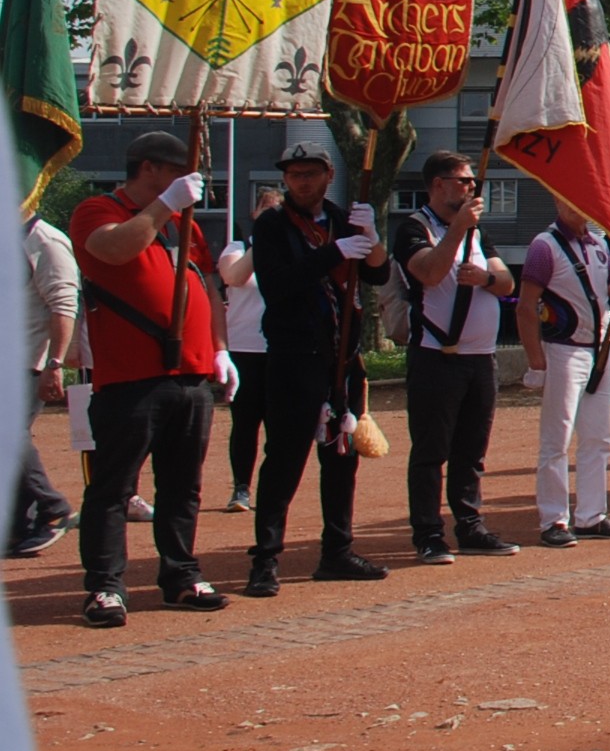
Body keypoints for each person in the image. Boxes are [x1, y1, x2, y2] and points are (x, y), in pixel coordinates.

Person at [70, 130, 233, 625]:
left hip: (190, 376)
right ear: (150, 169)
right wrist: (164, 207)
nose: (192, 180)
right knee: (113, 488)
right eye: (179, 170)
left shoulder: (185, 225)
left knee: (183, 487)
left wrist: (222, 349)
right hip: (130, 378)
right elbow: (114, 251)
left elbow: (207, 285)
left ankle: (179, 576)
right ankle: (104, 587)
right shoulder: (98, 211)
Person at [241, 141, 389, 592]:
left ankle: (337, 551)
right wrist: (334, 252)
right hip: (294, 355)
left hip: (342, 357)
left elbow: (379, 276)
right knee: (284, 458)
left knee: (341, 458)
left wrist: (372, 238)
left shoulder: (347, 219)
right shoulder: (272, 225)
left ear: (328, 175)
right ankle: (265, 559)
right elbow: (279, 283)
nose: (302, 182)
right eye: (293, 175)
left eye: (310, 173)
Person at [391, 151, 518, 565]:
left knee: (471, 449)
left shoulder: (477, 233)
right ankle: (428, 533)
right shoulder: (414, 227)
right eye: (463, 181)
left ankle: (470, 524)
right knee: (431, 450)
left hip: (480, 358)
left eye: (471, 182)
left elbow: (506, 283)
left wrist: (486, 277)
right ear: (438, 184)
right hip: (436, 356)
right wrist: (457, 230)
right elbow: (428, 272)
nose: (470, 189)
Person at [517, 197, 610, 546]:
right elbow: (526, 307)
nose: (579, 206)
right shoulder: (545, 246)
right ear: (556, 200)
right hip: (563, 350)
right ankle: (554, 519)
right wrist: (536, 360)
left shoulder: (599, 244)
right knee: (557, 438)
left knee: (598, 437)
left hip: (598, 349)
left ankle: (591, 515)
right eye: (570, 199)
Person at [12, 212, 79, 559]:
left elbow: (64, 305)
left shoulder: (45, 240)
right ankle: (16, 527)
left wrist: (55, 363)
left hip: (27, 362)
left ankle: (52, 507)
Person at [217, 185, 282, 511]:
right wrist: (263, 242)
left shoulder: (291, 249)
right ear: (255, 215)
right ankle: (241, 487)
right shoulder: (238, 247)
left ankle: (274, 490)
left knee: (279, 425)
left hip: (281, 349)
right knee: (244, 423)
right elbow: (234, 278)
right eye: (265, 212)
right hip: (244, 349)